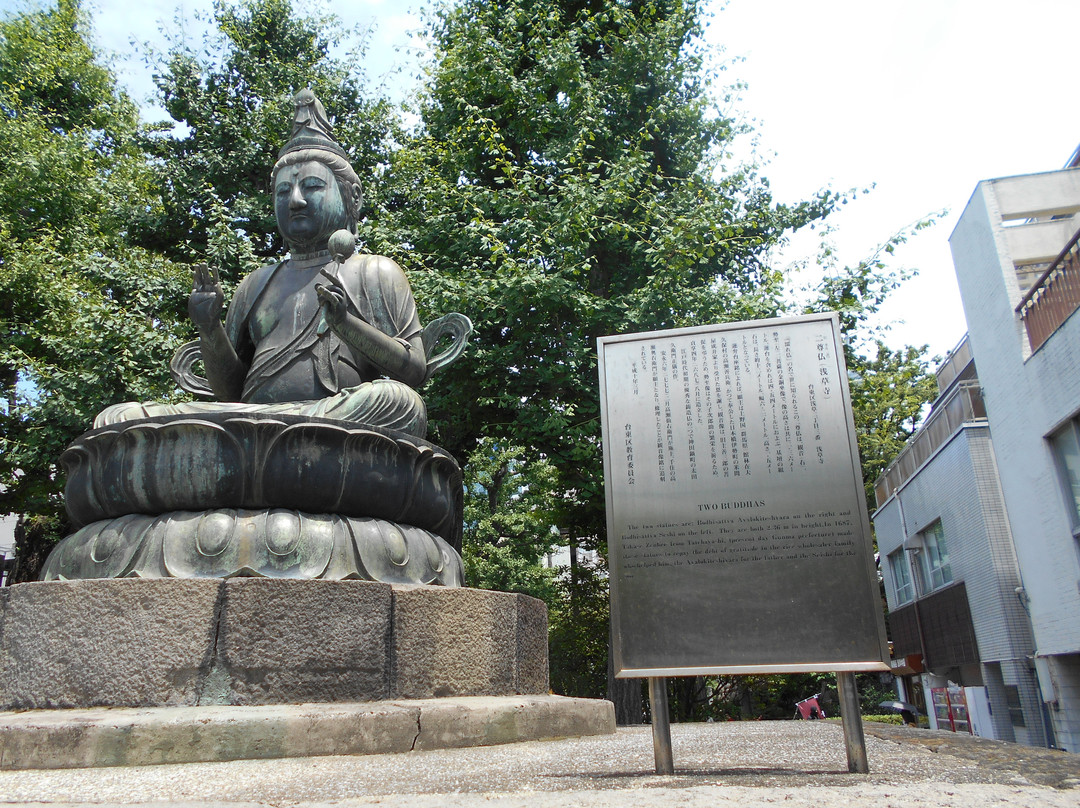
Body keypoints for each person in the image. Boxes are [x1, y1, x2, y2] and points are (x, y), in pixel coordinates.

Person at [96, 90, 429, 438]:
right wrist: (209, 328)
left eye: (313, 186)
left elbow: (414, 370)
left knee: (398, 401)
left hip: (335, 416)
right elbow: (229, 393)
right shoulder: (256, 282)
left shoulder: (374, 270)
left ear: (351, 198)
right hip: (251, 417)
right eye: (283, 192)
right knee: (119, 417)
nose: (296, 200)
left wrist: (346, 325)